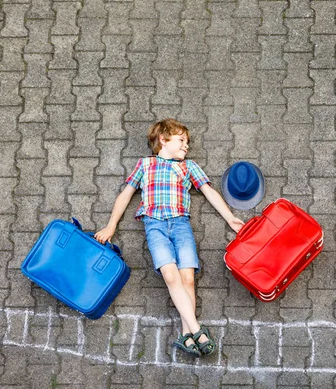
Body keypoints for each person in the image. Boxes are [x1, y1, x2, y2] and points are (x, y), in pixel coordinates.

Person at [95, 118, 244, 356]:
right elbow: (125, 195)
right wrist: (111, 225)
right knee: (171, 276)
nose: (186, 146)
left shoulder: (189, 167)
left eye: (187, 142)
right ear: (163, 140)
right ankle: (197, 330)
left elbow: (209, 192)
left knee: (188, 279)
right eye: (181, 140)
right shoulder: (145, 165)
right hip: (155, 226)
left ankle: (186, 337)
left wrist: (229, 218)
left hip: (181, 225)